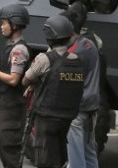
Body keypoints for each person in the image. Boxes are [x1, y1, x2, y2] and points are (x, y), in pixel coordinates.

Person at [22, 14, 85, 168]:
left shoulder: (44, 59)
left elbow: (25, 80)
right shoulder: (77, 60)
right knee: (60, 156)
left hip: (46, 116)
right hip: (67, 117)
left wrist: (34, 84)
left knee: (45, 159)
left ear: (49, 36)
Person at [0, 4, 31, 168]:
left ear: (15, 25)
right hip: (5, 104)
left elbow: (13, 79)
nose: (1, 26)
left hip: (12, 107)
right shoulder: (10, 47)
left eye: (4, 22)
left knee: (10, 147)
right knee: (4, 145)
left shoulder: (19, 50)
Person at [63, 2, 102, 168]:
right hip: (92, 106)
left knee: (77, 156)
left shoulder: (76, 50)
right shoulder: (90, 43)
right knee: (89, 153)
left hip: (78, 107)